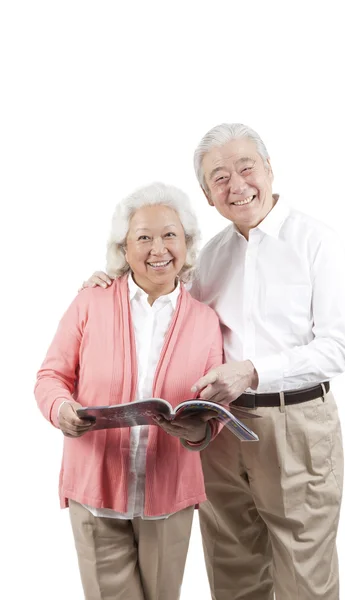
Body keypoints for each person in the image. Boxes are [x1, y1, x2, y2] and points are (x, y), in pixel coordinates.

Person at [83, 123, 345, 600]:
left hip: (297, 426)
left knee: (305, 576)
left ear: (269, 170)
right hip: (221, 430)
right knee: (232, 568)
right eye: (219, 178)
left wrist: (252, 371)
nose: (236, 184)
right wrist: (114, 279)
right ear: (208, 196)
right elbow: (174, 310)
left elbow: (336, 348)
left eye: (245, 168)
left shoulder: (316, 241)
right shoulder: (211, 257)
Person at [34, 182, 224, 600]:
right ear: (124, 249)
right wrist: (61, 409)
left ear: (187, 243)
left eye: (170, 235)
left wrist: (197, 430)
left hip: (169, 490)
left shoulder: (206, 320)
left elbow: (214, 409)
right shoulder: (91, 302)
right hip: (94, 486)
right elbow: (50, 376)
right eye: (144, 237)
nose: (159, 248)